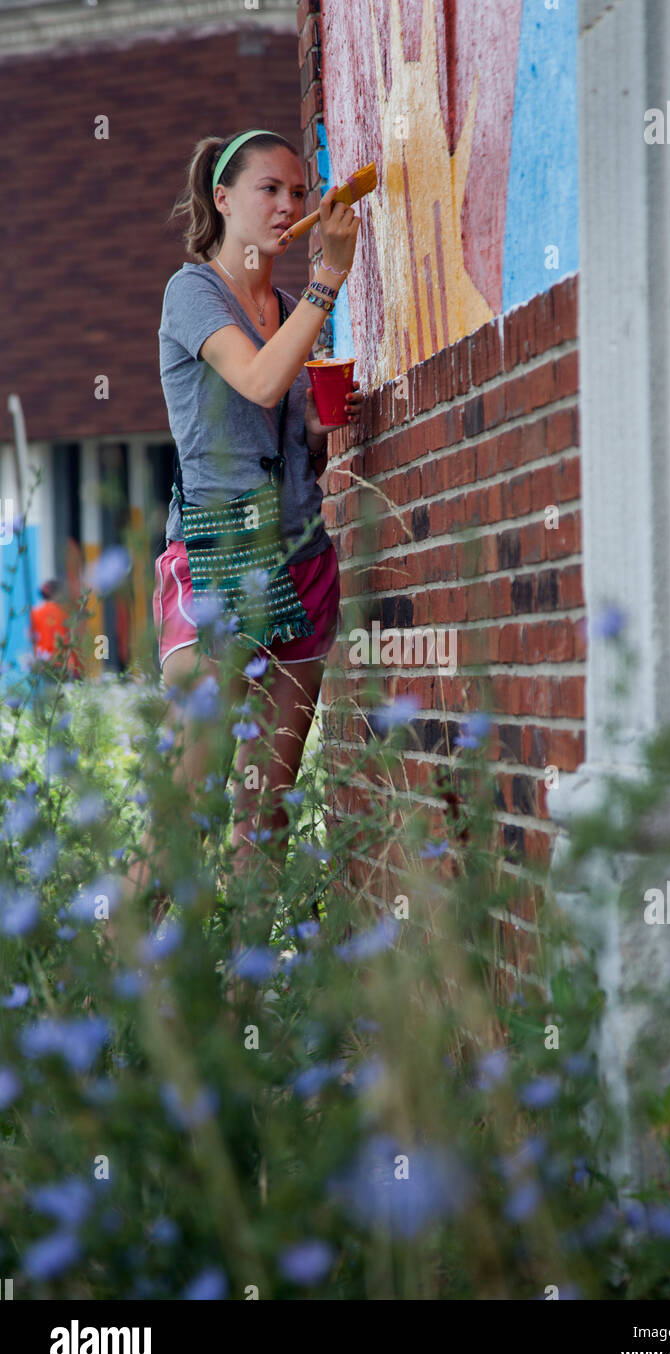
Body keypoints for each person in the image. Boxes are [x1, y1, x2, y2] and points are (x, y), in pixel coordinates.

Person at [121, 128, 362, 923]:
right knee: (185, 804)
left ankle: (242, 1017)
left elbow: (289, 438)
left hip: (301, 562)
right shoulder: (193, 293)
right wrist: (331, 277)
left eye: (299, 191)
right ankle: (109, 1005)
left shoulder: (290, 310)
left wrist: (325, 431)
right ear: (222, 200)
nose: (290, 206)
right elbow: (258, 382)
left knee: (266, 815)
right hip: (219, 561)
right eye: (271, 189)